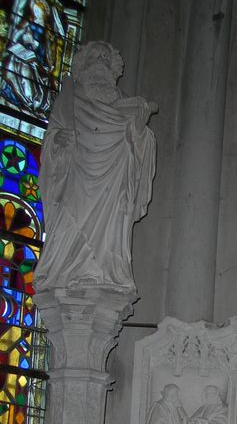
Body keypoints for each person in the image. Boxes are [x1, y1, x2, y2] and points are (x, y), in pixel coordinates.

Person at [37, 41, 156, 291]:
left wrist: (140, 128)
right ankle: (68, 267)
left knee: (108, 234)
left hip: (112, 184)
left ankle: (104, 270)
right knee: (73, 222)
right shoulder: (69, 98)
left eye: (106, 58)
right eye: (95, 58)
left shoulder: (124, 102)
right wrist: (58, 141)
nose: (101, 62)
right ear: (84, 65)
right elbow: (53, 136)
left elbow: (141, 143)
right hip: (77, 178)